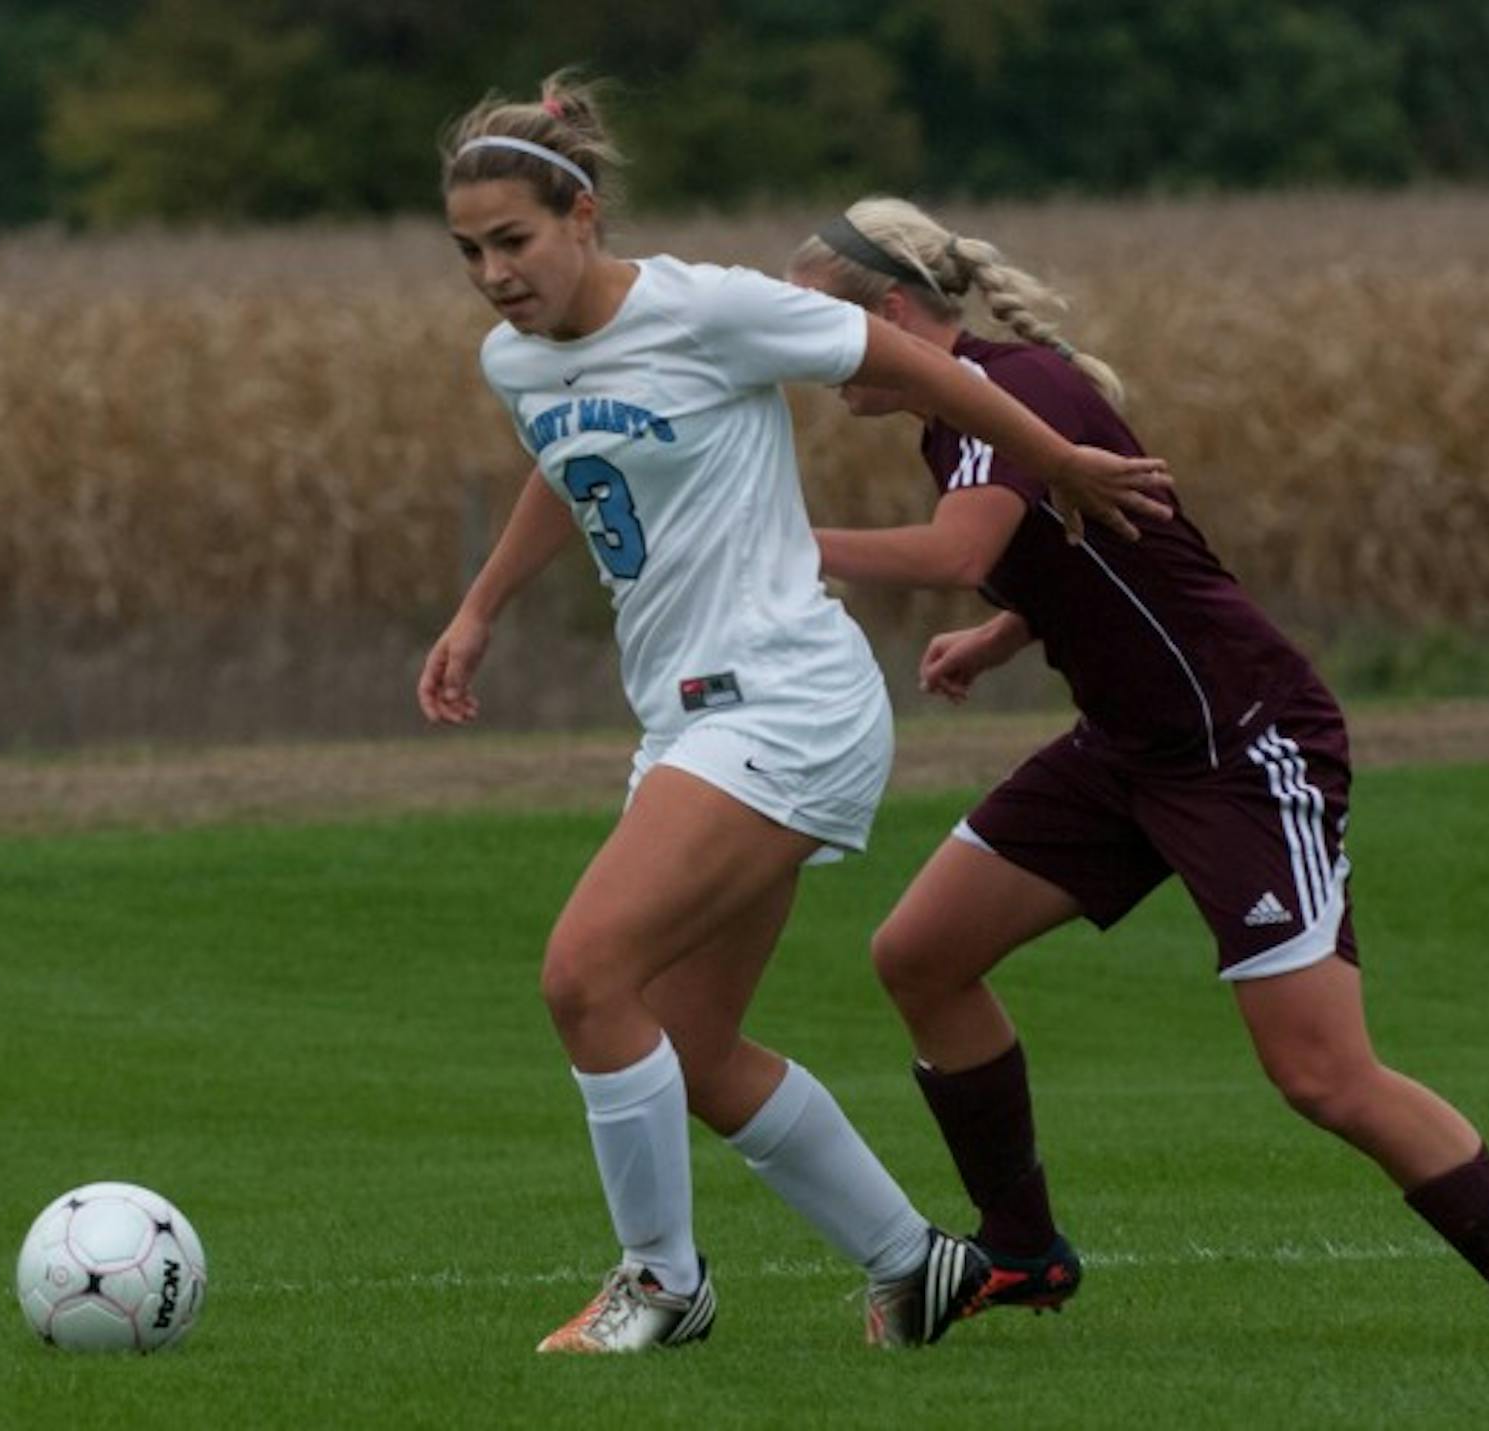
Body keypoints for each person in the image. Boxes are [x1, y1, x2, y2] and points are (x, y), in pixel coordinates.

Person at [785, 196, 1489, 1358]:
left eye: (813, 326)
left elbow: (956, 551)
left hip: (1241, 745)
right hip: (1127, 748)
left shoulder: (1004, 393)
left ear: (884, 315)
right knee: (919, 956)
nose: (805, 359)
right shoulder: (963, 410)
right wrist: (1004, 633)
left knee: (1321, 1074)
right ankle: (1024, 1252)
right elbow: (1095, 549)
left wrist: (767, 534)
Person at [418, 77, 1173, 1355]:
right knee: (695, 1048)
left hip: (782, 700)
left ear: (582, 218)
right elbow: (569, 462)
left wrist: (1051, 459)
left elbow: (912, 363)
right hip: (688, 719)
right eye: (469, 252)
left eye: (514, 241)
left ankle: (659, 1284)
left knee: (582, 975)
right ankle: (913, 1265)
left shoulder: (708, 307)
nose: (493, 274)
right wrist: (480, 605)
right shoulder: (515, 358)